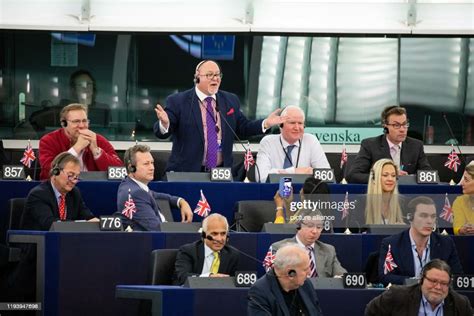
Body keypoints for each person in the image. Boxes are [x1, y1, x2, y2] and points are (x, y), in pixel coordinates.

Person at [153, 59, 284, 173]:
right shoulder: (178, 101)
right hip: (187, 171)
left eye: (217, 75)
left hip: (221, 172)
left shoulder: (230, 100)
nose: (215, 78)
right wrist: (165, 123)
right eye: (210, 75)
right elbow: (162, 132)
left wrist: (265, 123)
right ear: (197, 78)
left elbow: (243, 127)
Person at [378, 196, 463, 285]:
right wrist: (415, 282)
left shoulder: (446, 243)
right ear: (410, 217)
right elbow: (385, 276)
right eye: (424, 216)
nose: (429, 221)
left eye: (433, 216)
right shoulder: (392, 244)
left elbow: (457, 277)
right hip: (405, 296)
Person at [114, 144, 193, 230]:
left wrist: (180, 201)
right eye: (146, 164)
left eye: (152, 163)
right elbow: (157, 229)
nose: (152, 168)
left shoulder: (130, 185)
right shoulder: (136, 193)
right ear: (131, 168)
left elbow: (155, 195)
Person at [347, 105, 431, 183]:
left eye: (404, 124)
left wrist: (409, 178)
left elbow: (428, 175)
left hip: (408, 195)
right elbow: (353, 175)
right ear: (385, 127)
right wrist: (385, 177)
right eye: (396, 125)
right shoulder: (370, 145)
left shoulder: (416, 146)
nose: (402, 129)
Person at [38, 103, 123, 180]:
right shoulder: (48, 141)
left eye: (84, 121)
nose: (82, 126)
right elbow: (49, 172)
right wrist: (76, 148)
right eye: (76, 121)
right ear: (64, 124)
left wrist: (96, 152)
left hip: (93, 189)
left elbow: (119, 172)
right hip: (60, 191)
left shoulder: (97, 139)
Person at [366, 259, 473, 316]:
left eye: (444, 283)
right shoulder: (397, 295)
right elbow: (371, 311)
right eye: (433, 281)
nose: (438, 287)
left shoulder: (460, 304)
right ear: (421, 280)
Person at [21, 152, 98, 231]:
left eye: (76, 177)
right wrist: (79, 224)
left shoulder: (74, 193)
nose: (74, 181)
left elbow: (88, 217)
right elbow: (51, 225)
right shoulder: (39, 194)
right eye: (70, 175)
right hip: (39, 241)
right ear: (56, 172)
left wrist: (99, 224)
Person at [256, 105, 330, 183]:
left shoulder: (311, 141)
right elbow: (262, 178)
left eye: (300, 123)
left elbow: (327, 176)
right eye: (292, 123)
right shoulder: (268, 142)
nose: (297, 127)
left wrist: (280, 173)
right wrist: (294, 171)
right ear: (281, 125)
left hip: (302, 193)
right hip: (273, 193)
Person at [264, 209, 347, 278]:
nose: (315, 231)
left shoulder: (328, 250)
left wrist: (339, 278)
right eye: (310, 226)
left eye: (319, 227)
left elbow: (341, 274)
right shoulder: (279, 248)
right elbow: (273, 276)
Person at [248, 244, 324, 316]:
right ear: (291, 273)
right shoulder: (260, 292)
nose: (309, 272)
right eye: (305, 269)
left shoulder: (306, 284)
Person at [173, 213, 239, 285]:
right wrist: (209, 277)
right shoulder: (188, 251)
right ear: (203, 235)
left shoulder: (232, 254)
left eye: (223, 233)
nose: (219, 239)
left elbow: (235, 282)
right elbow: (183, 278)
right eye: (214, 234)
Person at [364, 158, 405, 225]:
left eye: (393, 175)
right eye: (385, 175)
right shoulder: (362, 203)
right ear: (374, 179)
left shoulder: (402, 203)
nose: (390, 179)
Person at [452, 160, 474, 235]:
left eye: (466, 180)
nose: (462, 183)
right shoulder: (459, 202)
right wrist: (462, 230)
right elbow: (457, 228)